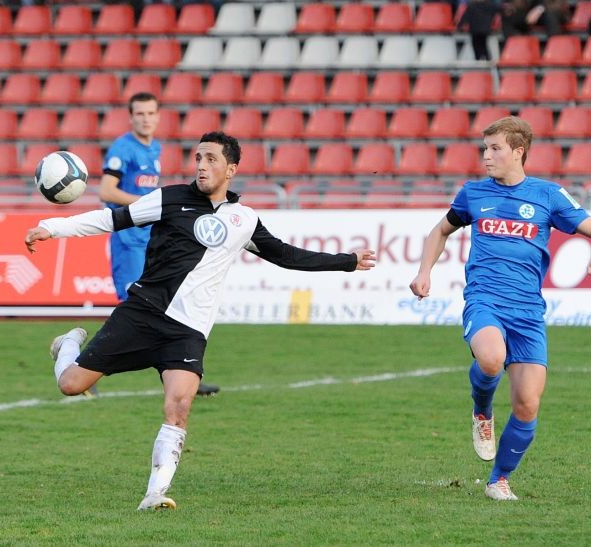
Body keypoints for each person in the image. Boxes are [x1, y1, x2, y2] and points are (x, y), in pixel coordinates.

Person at [25, 132, 376, 511]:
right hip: (143, 314)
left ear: (231, 169)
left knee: (179, 407)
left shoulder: (244, 219)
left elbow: (285, 254)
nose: (202, 166)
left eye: (211, 159)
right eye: (198, 158)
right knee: (71, 385)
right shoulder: (169, 198)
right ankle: (68, 345)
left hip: (188, 331)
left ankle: (155, 493)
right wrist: (52, 227)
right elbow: (112, 219)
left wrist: (346, 260)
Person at [409, 116, 591, 501]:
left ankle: (498, 480)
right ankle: (482, 411)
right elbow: (440, 231)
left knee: (527, 404)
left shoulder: (548, 195)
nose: (487, 156)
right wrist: (424, 272)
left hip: (528, 312)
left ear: (518, 151)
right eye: (485, 148)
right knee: (490, 359)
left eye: (495, 148)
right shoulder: (473, 194)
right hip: (485, 300)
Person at [98, 92, 220, 397]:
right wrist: (146, 206)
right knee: (133, 311)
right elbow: (107, 191)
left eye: (151, 113)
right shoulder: (122, 148)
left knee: (165, 309)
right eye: (139, 113)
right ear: (131, 117)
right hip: (128, 242)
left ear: (158, 116)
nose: (146, 119)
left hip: (150, 241)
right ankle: (83, 366)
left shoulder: (155, 148)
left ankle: (181, 373)